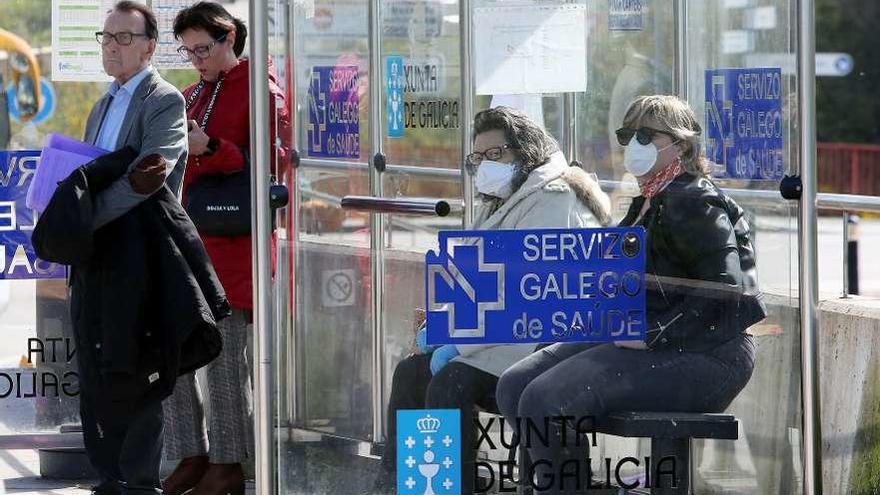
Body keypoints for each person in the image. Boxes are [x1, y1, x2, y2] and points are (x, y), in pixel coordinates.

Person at [495, 95, 767, 494]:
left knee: (546, 400)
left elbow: (729, 292)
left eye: (645, 134)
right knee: (515, 384)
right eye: (627, 134)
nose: (633, 144)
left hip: (708, 355)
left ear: (683, 144)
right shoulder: (648, 201)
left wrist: (653, 334)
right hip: (647, 340)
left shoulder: (694, 200)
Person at [371, 106, 611, 494]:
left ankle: (450, 488)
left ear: (524, 153)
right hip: (499, 336)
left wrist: (456, 341)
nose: (485, 165)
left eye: (495, 155)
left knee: (451, 381)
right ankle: (405, 487)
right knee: (411, 373)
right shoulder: (502, 200)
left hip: (541, 340)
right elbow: (471, 282)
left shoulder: (553, 198)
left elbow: (521, 294)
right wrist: (444, 326)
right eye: (478, 158)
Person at [160, 3, 291, 495]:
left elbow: (273, 168)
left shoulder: (260, 91)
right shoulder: (193, 94)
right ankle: (189, 453)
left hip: (236, 248)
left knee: (222, 360)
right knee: (173, 352)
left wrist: (212, 149)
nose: (196, 59)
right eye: (188, 50)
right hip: (190, 243)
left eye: (203, 48)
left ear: (230, 37)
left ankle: (229, 460)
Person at [77, 2, 188, 493]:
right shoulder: (102, 103)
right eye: (107, 38)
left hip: (139, 253)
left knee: (137, 367)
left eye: (125, 38)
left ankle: (139, 481)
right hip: (94, 254)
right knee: (95, 364)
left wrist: (89, 215)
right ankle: (107, 475)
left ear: (150, 46)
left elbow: (149, 176)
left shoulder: (163, 100)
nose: (114, 48)